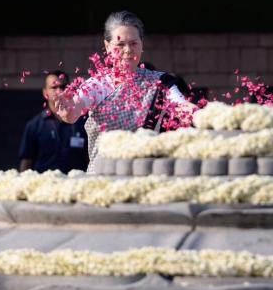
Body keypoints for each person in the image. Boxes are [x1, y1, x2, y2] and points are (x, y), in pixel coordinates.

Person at [55, 10, 193, 171]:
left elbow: (183, 106)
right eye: (120, 45)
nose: (127, 50)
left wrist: (212, 115)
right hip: (103, 176)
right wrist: (68, 110)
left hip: (144, 175)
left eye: (134, 43)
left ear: (142, 44)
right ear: (107, 47)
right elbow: (74, 111)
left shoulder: (160, 82)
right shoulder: (97, 85)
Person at [19, 71, 89, 173]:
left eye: (63, 86)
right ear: (45, 92)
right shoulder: (34, 125)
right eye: (54, 87)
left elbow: (91, 157)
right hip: (45, 185)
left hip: (76, 185)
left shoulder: (82, 122)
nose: (59, 91)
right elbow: (26, 161)